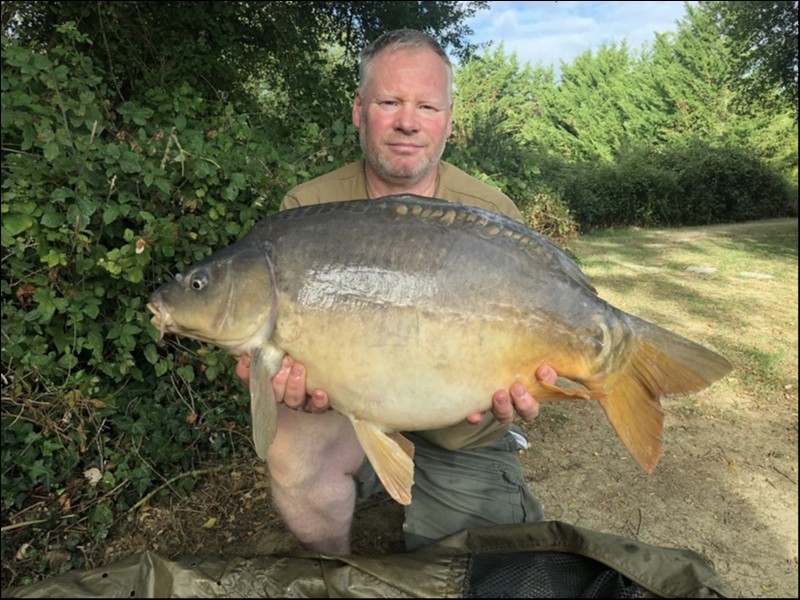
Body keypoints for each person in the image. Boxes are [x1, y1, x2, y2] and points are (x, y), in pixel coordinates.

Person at [237, 28, 558, 555]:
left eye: (427, 106)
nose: (408, 121)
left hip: (462, 428)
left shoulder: (490, 215)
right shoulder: (308, 210)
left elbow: (533, 336)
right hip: (348, 416)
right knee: (293, 452)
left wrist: (533, 383)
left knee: (478, 568)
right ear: (359, 110)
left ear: (448, 120)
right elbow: (273, 346)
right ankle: (337, 571)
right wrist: (281, 380)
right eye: (390, 102)